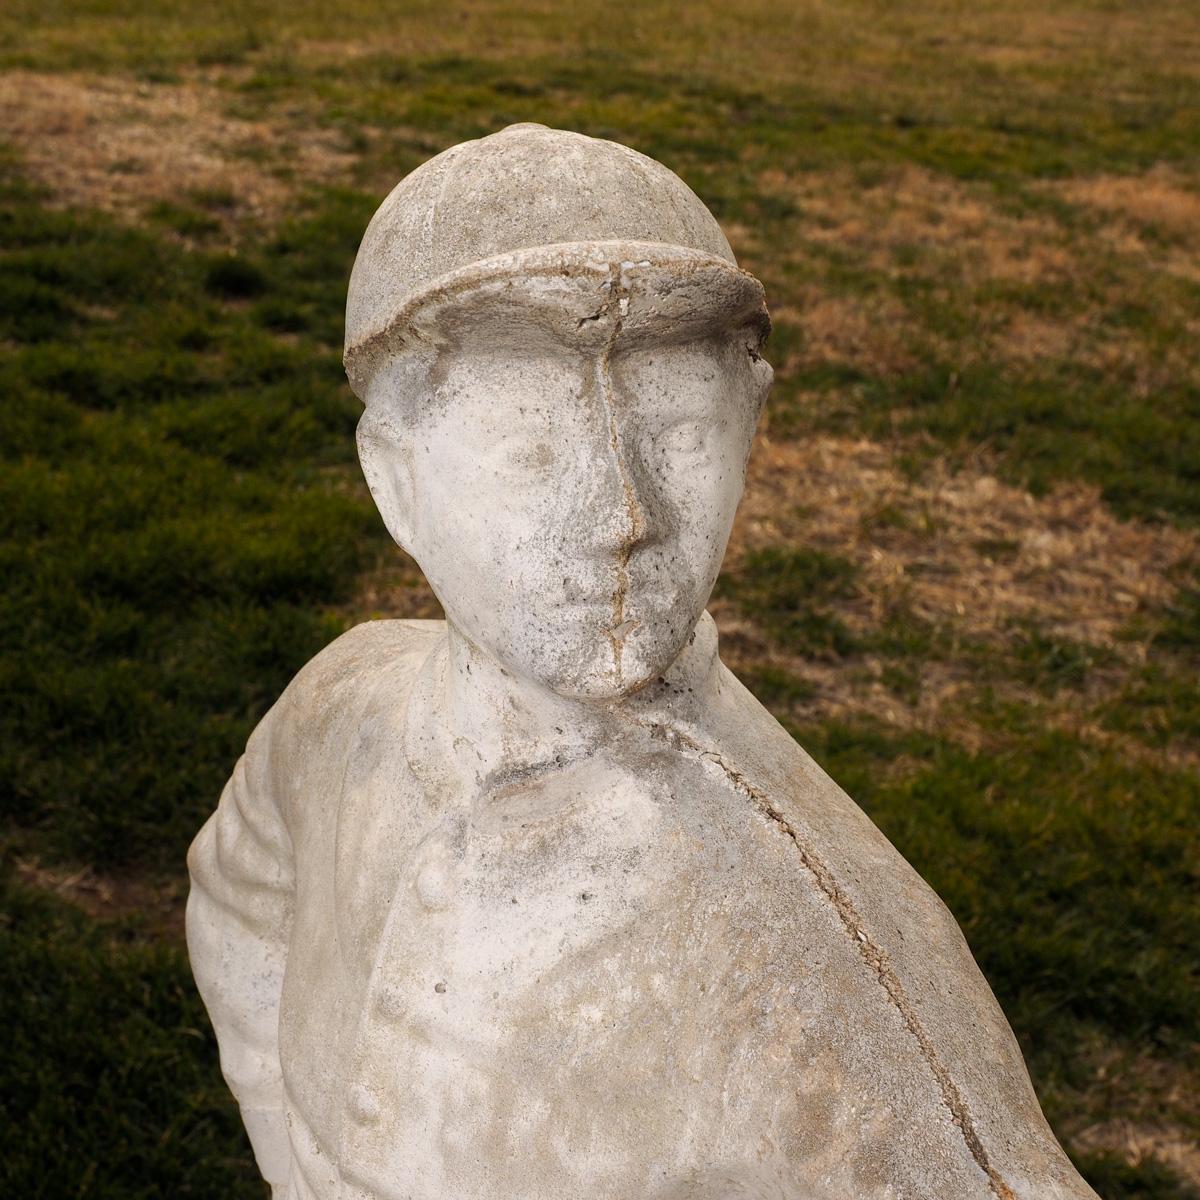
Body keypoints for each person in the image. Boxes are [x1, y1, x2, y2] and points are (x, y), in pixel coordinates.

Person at [187, 123, 1096, 1200]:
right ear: (394, 482)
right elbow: (238, 897)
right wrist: (297, 1158)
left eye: (679, 436)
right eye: (529, 451)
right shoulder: (343, 706)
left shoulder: (824, 983)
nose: (623, 517)